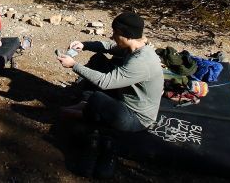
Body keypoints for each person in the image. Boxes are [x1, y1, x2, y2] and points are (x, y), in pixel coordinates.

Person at [57, 11, 163, 178]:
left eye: (115, 33)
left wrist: (74, 65)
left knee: (97, 98)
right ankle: (86, 109)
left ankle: (88, 116)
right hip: (124, 98)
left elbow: (105, 82)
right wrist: (85, 45)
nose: (113, 36)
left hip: (136, 118)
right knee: (99, 59)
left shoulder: (142, 61)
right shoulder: (134, 46)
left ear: (126, 35)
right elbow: (108, 46)